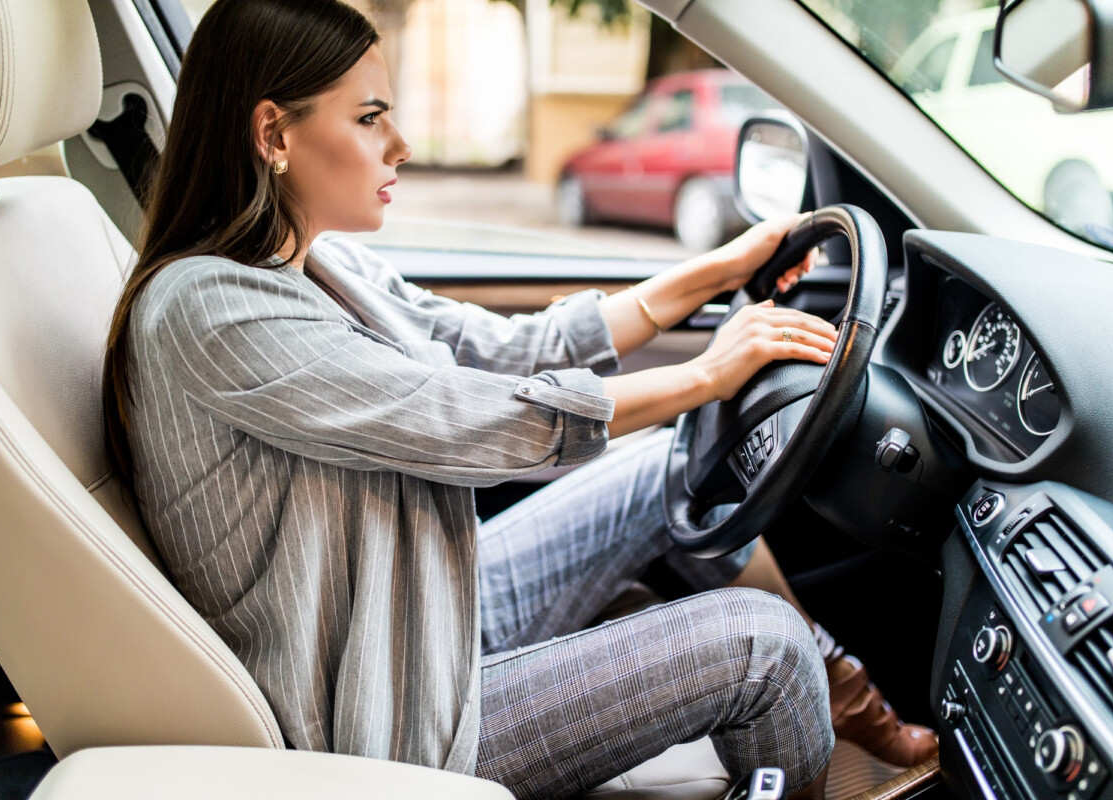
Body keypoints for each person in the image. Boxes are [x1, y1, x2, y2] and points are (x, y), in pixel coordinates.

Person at [101, 1, 931, 797]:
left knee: (664, 470)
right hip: (387, 723)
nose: (402, 145)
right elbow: (468, 415)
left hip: (428, 614)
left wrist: (717, 270)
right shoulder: (209, 308)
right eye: (369, 118)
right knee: (767, 647)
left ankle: (856, 707)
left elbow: (497, 348)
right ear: (273, 132)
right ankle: (823, 720)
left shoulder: (317, 262)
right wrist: (704, 377)